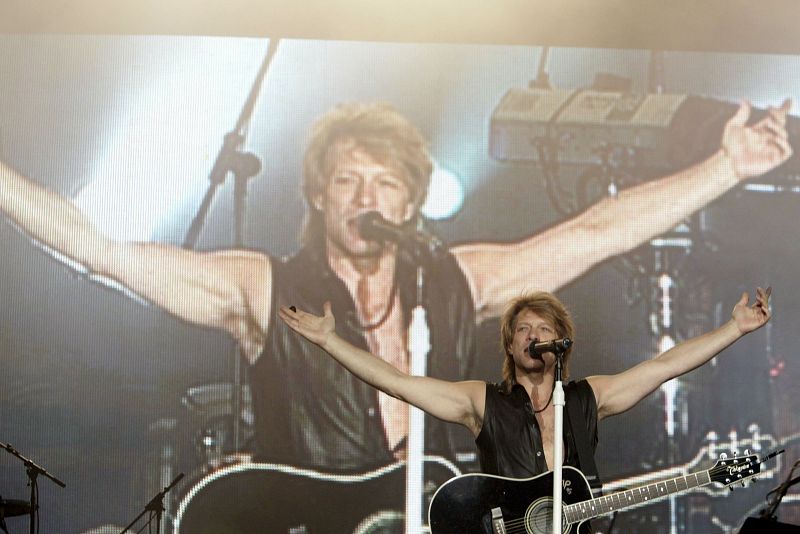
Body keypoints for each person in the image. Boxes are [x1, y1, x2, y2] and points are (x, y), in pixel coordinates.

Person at [0, 100, 792, 472]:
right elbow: (99, 251)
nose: (364, 198)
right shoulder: (262, 287)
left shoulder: (453, 278)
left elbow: (595, 232)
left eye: (383, 184)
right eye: (346, 181)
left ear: (409, 203)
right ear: (319, 195)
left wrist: (726, 166)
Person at [277, 285, 773, 481]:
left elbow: (664, 367)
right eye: (523, 330)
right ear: (510, 346)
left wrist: (734, 329)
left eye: (543, 329)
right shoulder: (481, 401)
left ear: (561, 343)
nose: (533, 336)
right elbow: (397, 383)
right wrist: (329, 341)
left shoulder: (588, 398)